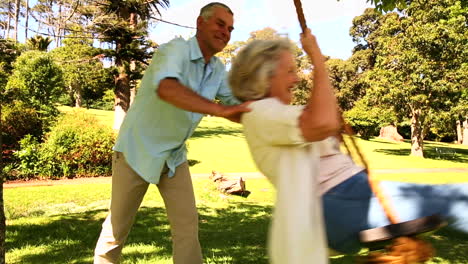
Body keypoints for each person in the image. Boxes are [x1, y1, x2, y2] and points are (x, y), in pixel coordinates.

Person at [93, 3, 250, 264]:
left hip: (173, 158)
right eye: (220, 24)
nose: (226, 32)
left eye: (230, 28)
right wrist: (216, 109)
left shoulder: (218, 69)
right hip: (136, 151)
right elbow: (168, 89)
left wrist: (274, 112)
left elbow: (238, 108)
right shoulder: (174, 50)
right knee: (117, 230)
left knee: (187, 228)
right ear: (200, 23)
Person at [229, 29, 342, 264]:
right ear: (265, 76)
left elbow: (327, 132)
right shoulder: (261, 112)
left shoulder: (279, 114)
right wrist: (317, 60)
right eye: (290, 71)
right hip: (298, 250)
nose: (297, 79)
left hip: (309, 242)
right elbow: (324, 123)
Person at [318, 135, 468, 254]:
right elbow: (321, 122)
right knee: (457, 199)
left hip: (342, 197)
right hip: (342, 200)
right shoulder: (298, 115)